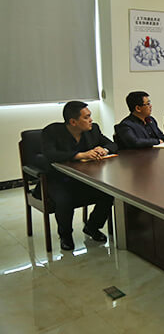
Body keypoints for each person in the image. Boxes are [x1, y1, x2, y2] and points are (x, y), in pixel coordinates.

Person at [41, 101, 117, 251]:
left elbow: (113, 145)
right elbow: (50, 154)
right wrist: (79, 155)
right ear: (73, 122)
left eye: (90, 116)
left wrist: (104, 150)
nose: (91, 120)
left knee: (108, 193)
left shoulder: (93, 130)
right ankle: (65, 236)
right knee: (65, 200)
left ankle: (92, 226)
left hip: (84, 178)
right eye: (86, 117)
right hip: (58, 180)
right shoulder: (52, 131)